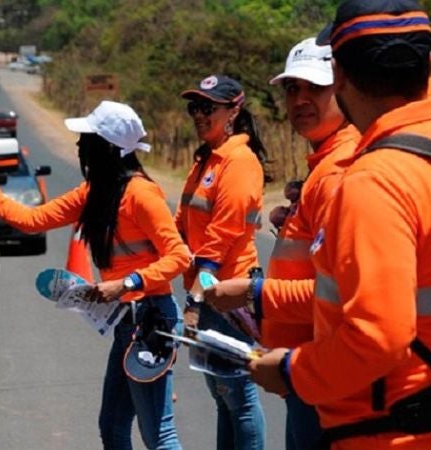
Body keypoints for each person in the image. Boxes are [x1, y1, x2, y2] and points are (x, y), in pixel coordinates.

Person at [246, 1, 431, 448]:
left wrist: (293, 371)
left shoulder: (375, 179)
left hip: (392, 429)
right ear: (429, 65)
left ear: (342, 76)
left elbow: (378, 337)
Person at [0, 100, 190, 449]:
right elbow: (32, 220)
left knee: (158, 435)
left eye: (86, 138)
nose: (78, 145)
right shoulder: (94, 193)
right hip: (127, 323)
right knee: (113, 428)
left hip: (152, 320)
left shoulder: (141, 195)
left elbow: (180, 256)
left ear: (107, 147)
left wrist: (126, 283)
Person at [205, 37, 360, 450]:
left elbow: (346, 295)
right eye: (293, 89)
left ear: (343, 87)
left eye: (315, 87)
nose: (301, 100)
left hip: (325, 375)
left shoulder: (337, 173)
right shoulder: (323, 166)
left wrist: (255, 294)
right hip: (306, 371)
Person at [176, 74, 266, 450]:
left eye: (208, 107)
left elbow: (221, 240)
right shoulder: (207, 160)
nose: (199, 115)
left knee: (240, 397)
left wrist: (196, 300)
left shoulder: (239, 162)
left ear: (233, 110)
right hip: (209, 294)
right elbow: (183, 227)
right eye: (194, 107)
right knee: (222, 396)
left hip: (228, 296)